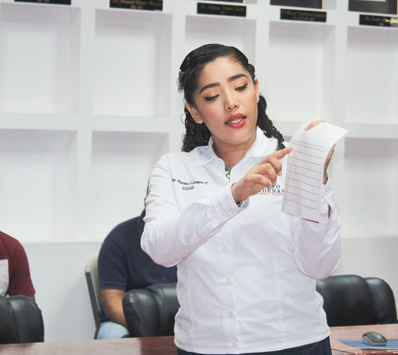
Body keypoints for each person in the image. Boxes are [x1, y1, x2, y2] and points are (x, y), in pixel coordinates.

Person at [142, 44, 342, 355]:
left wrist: (315, 181)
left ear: (256, 89)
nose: (231, 103)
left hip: (293, 343)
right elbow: (159, 249)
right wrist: (233, 196)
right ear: (195, 111)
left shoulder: (293, 162)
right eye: (212, 96)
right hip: (204, 346)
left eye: (240, 87)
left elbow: (319, 265)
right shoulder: (174, 168)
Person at [96, 207, 178, 339]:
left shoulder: (193, 236)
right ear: (147, 201)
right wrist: (145, 329)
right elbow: (112, 302)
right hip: (128, 320)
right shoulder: (119, 237)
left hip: (180, 320)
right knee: (110, 334)